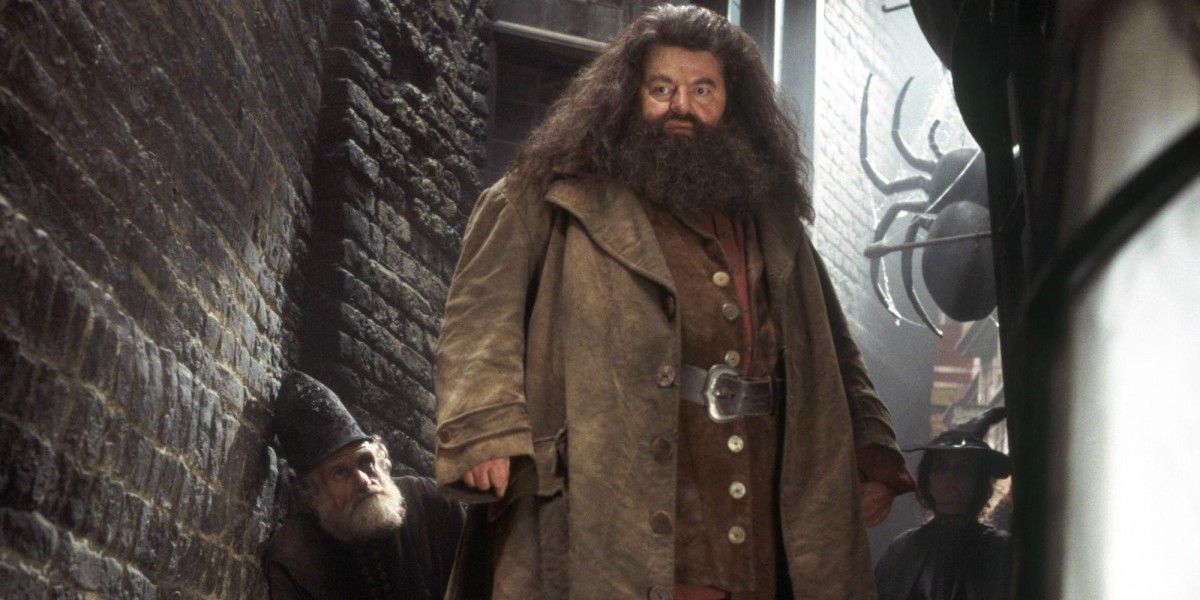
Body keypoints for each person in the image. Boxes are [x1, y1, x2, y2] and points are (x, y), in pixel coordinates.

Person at [434, 5, 914, 599]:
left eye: (701, 90)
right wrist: (484, 428)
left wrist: (870, 447)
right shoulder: (547, 197)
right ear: (627, 96)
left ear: (731, 103)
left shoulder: (773, 224)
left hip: (757, 515)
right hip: (604, 496)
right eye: (661, 89)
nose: (680, 106)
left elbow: (833, 350)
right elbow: (480, 318)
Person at [262, 372, 465, 600]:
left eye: (366, 462)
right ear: (309, 493)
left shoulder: (432, 503)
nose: (363, 481)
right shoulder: (295, 555)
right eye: (340, 472)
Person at [873, 406, 1012, 600]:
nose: (951, 476)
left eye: (963, 468)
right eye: (941, 467)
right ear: (928, 479)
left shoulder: (1001, 549)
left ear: (978, 481)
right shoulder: (903, 549)